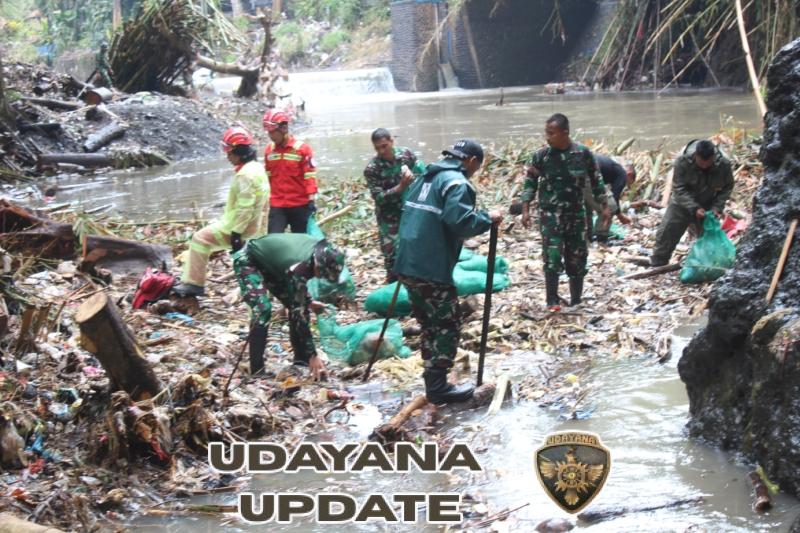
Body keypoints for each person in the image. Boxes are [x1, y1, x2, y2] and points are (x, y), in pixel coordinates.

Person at [394, 139, 502, 404]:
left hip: (407, 262)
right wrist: (489, 217)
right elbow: (461, 222)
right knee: (446, 324)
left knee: (428, 322)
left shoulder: (425, 178)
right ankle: (438, 387)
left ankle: (434, 381)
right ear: (472, 161)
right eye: (478, 166)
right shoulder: (457, 183)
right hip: (430, 265)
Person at [520, 114, 607, 311]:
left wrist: (605, 208)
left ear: (565, 133)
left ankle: (576, 300)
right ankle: (552, 300)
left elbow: (596, 180)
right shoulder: (541, 156)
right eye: (546, 133)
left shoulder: (582, 154)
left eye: (551, 133)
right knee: (551, 257)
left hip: (576, 215)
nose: (547, 137)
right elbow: (529, 183)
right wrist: (525, 210)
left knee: (577, 257)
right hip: (550, 217)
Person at [232, 233, 346, 379]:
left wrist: (308, 302)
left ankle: (301, 361)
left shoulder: (314, 254)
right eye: (320, 273)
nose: (318, 277)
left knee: (298, 307)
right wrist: (313, 354)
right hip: (248, 259)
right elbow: (298, 309)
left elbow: (298, 296)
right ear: (318, 264)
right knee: (262, 310)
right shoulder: (300, 265)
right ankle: (257, 369)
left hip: (275, 266)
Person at [173, 127, 269, 297]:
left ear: (238, 152)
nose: (227, 157)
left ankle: (193, 283)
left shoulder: (245, 175)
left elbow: (245, 208)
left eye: (229, 152)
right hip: (254, 226)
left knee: (200, 238)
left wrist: (236, 233)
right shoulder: (257, 168)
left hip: (238, 227)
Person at [650, 139, 734, 266]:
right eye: (701, 163)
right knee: (668, 231)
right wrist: (694, 208)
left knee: (709, 237)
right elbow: (678, 188)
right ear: (695, 156)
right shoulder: (682, 161)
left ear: (713, 157)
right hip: (682, 203)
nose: (705, 166)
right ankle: (658, 262)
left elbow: (727, 187)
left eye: (708, 163)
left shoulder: (723, 164)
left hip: (708, 203)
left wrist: (717, 207)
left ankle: (708, 265)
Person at [363, 128, 426, 282]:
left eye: (384, 146)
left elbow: (422, 175)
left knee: (416, 246)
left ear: (392, 141)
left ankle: (417, 282)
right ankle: (393, 286)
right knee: (391, 254)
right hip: (388, 216)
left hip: (410, 209)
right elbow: (378, 197)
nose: (382, 151)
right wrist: (400, 187)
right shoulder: (372, 169)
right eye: (378, 148)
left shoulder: (406, 155)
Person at [263, 109, 317, 234]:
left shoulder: (302, 149)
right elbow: (269, 177)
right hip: (278, 204)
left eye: (273, 132)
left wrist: (311, 200)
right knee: (273, 241)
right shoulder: (269, 151)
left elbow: (309, 176)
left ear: (284, 128)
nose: (270, 136)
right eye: (268, 132)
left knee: (302, 242)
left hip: (300, 204)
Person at [584, 155, 636, 242]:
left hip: (580, 172)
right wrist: (620, 216)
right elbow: (614, 198)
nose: (625, 185)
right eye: (628, 182)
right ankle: (601, 238)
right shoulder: (622, 174)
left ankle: (588, 238)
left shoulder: (612, 166)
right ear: (629, 174)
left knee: (588, 206)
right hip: (590, 174)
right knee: (611, 207)